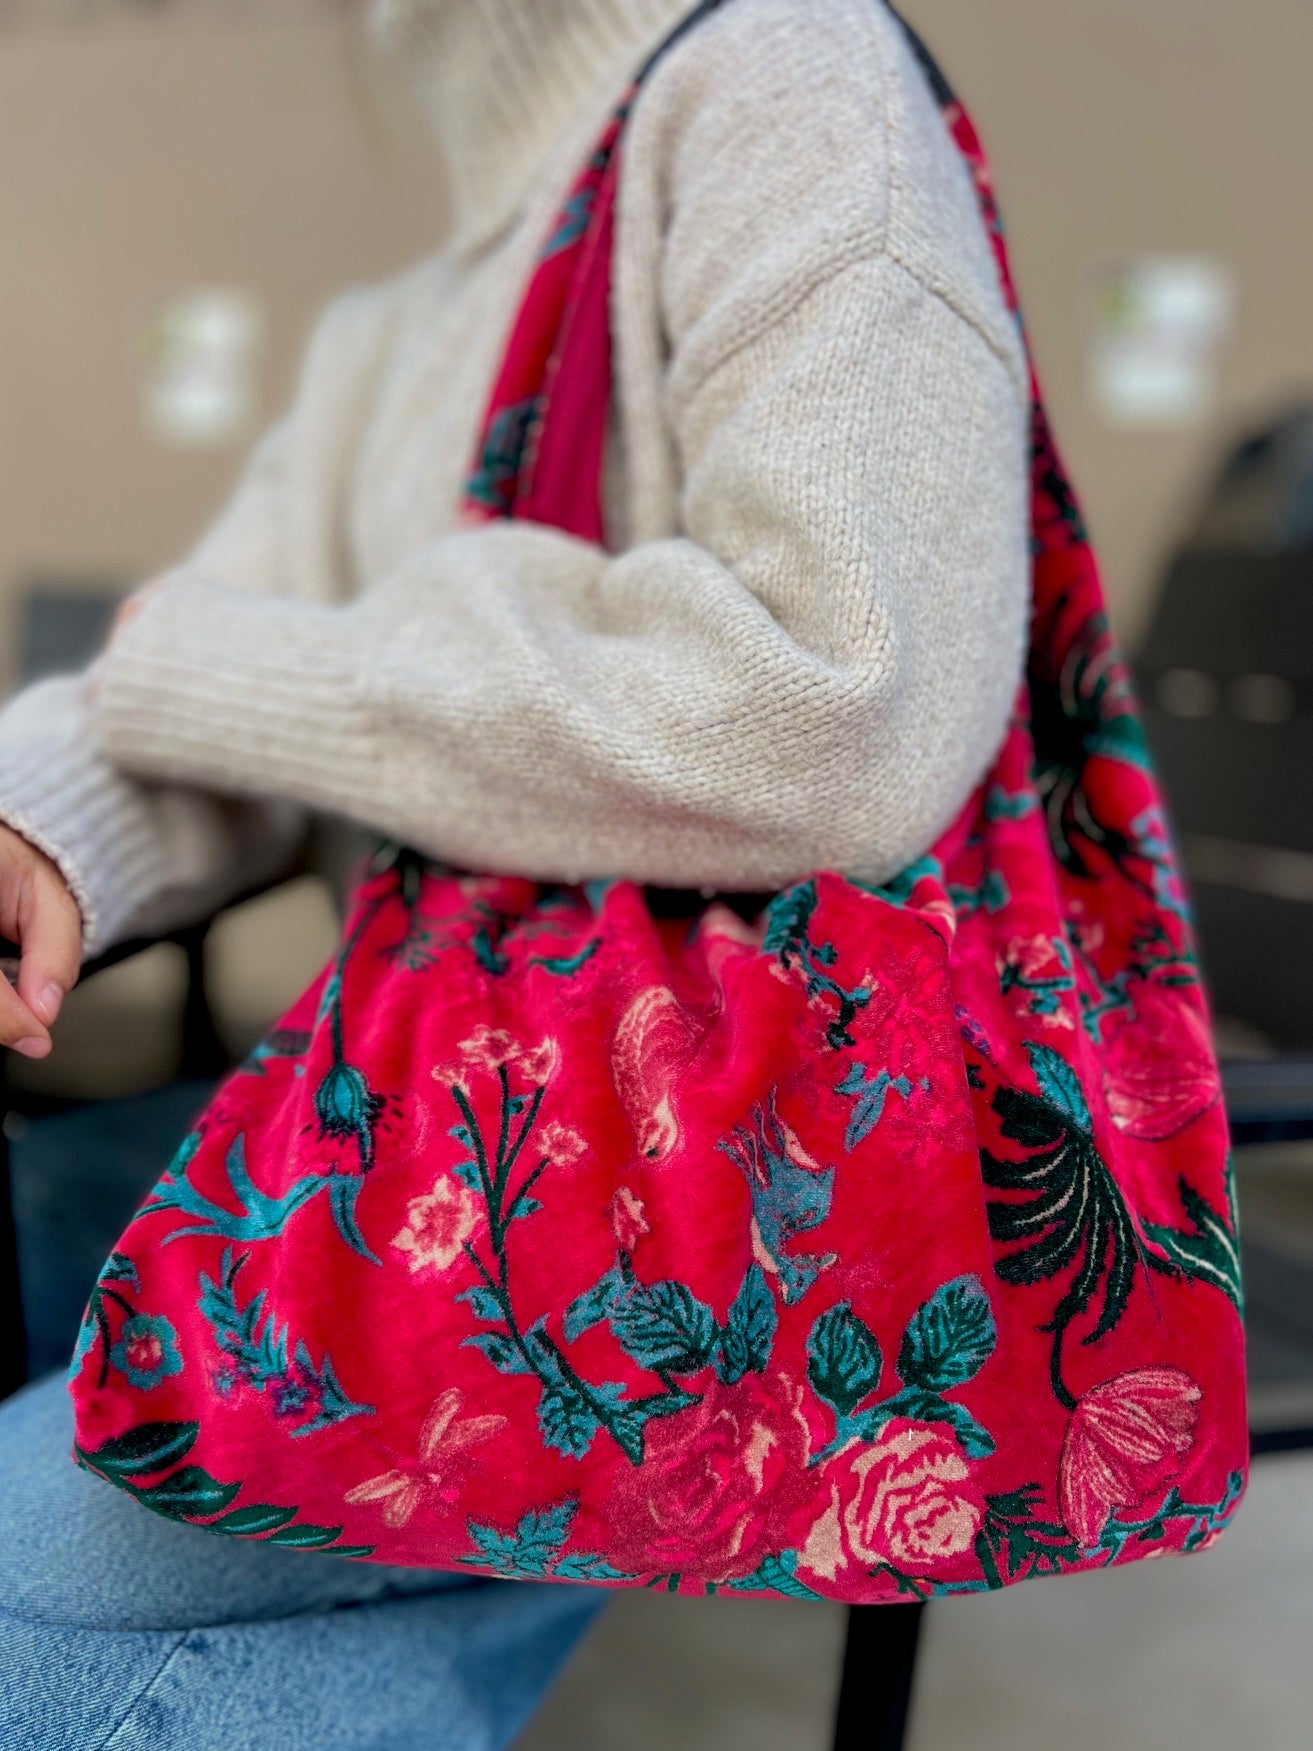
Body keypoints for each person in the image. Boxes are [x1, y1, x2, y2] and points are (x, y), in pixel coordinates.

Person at [0, 1, 1029, 1744]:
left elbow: (841, 705)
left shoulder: (788, 74)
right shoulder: (390, 330)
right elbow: (216, 704)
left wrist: (257, 664)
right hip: (432, 1103)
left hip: (741, 1180)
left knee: (35, 1607)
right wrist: (41, 812)